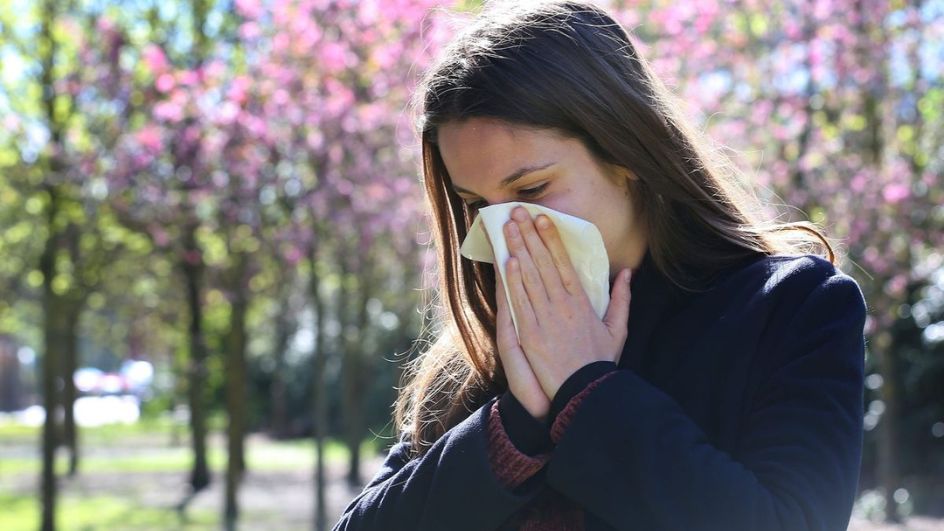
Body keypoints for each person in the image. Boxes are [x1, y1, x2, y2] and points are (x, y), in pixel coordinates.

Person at [333, 0, 868, 530]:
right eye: (476, 205)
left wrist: (585, 390)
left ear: (625, 153)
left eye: (531, 189)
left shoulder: (792, 307)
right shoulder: (484, 349)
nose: (505, 231)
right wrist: (516, 425)